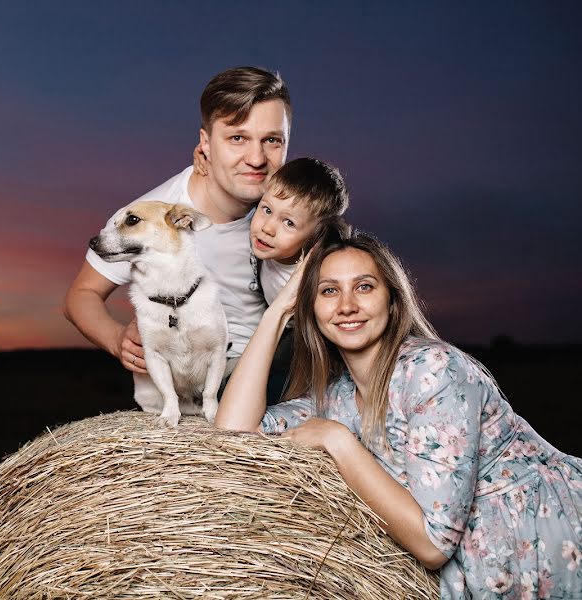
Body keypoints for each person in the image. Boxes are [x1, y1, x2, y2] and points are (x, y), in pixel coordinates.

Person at [215, 228, 582, 598]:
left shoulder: (433, 370)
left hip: (549, 538)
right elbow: (233, 435)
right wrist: (278, 313)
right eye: (328, 291)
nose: (346, 306)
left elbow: (433, 547)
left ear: (392, 299)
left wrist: (337, 441)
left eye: (364, 287)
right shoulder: (337, 398)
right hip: (492, 560)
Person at [64, 66, 291, 381]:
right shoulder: (149, 218)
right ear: (206, 143)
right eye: (237, 138)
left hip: (282, 362)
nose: (256, 158)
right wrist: (117, 340)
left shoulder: (290, 202)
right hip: (218, 380)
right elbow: (81, 293)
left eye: (272, 141)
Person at [249, 157, 349, 303]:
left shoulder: (311, 287)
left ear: (317, 236)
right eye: (267, 210)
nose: (267, 228)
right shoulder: (253, 234)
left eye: (289, 223)